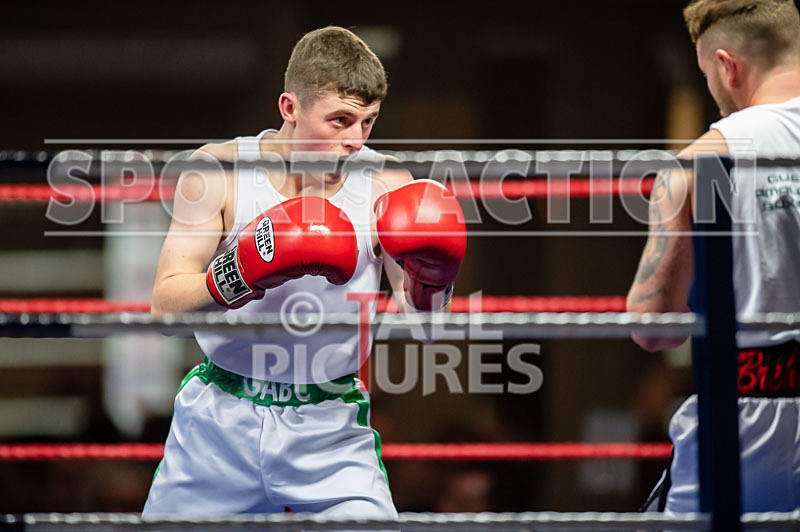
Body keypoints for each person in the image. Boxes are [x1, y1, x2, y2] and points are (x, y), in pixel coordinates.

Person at [143, 26, 466, 518]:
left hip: (329, 425)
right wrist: (241, 272)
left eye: (368, 122)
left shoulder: (388, 184)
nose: (356, 140)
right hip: (219, 421)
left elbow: (426, 328)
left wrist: (434, 278)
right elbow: (165, 304)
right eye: (340, 121)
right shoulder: (220, 170)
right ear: (289, 108)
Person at [627, 0, 800, 512]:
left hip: (751, 415)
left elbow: (653, 329)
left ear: (726, 65)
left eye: (706, 75)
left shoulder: (701, 163)